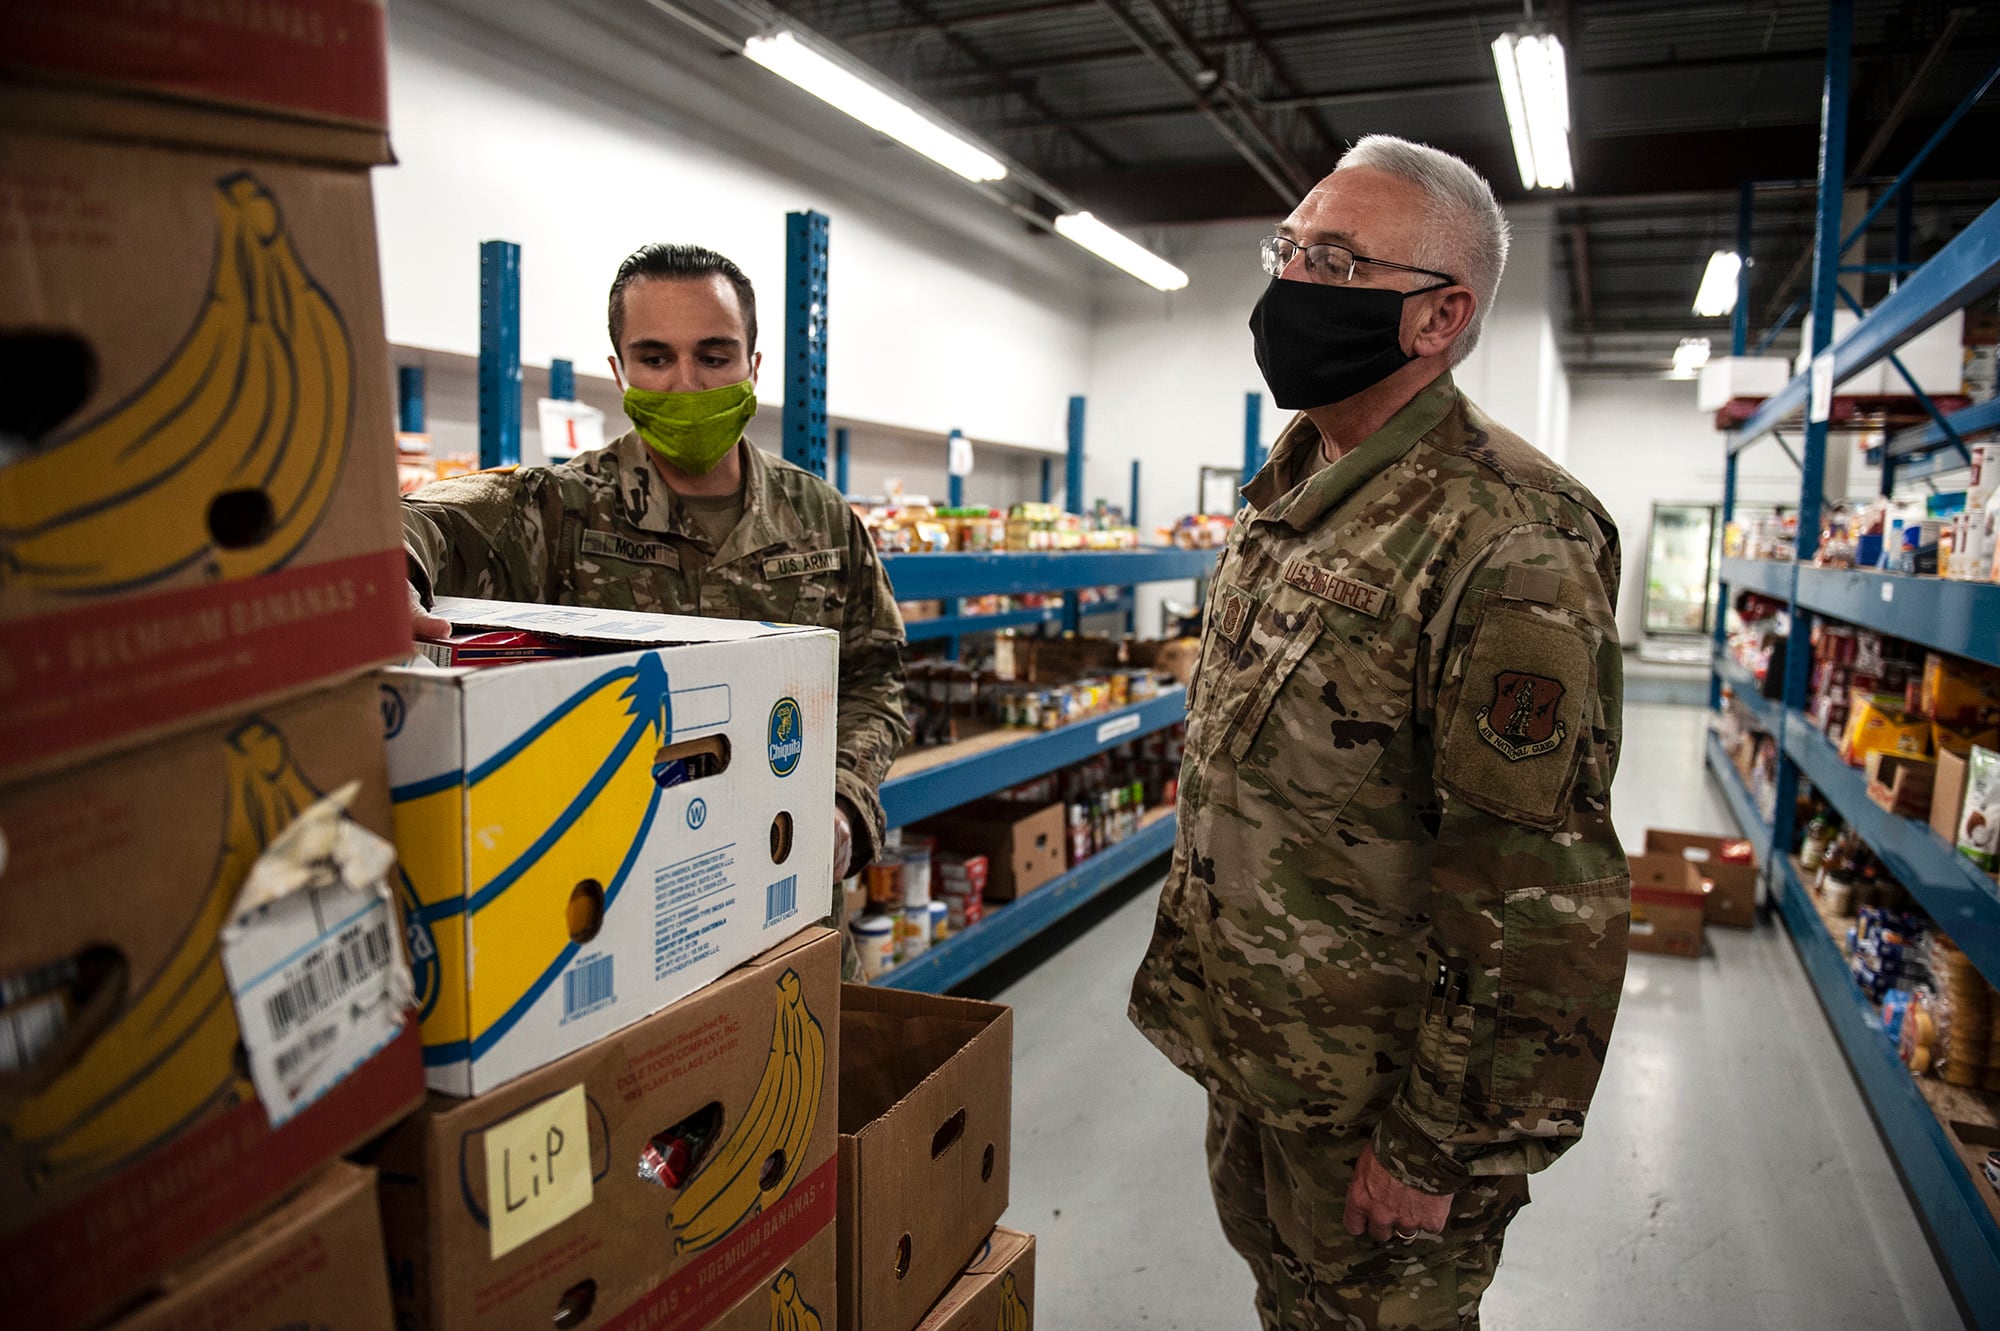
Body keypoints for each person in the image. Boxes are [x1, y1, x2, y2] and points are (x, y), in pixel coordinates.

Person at [1128, 135, 1631, 1329]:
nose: (1291, 283)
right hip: (1263, 1054)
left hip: (1384, 1101)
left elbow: (1534, 897)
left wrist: (1435, 1143)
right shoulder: (1297, 480)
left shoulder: (1510, 535)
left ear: (1437, 317)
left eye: (1338, 264)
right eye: (1289, 248)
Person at [403, 243, 909, 980]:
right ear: (618, 372)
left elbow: (876, 678)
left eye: (713, 355)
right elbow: (426, 520)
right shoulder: (562, 508)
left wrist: (842, 800)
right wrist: (390, 569)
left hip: (788, 894)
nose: (685, 383)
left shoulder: (820, 518)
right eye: (654, 358)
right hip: (621, 912)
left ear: (754, 367)